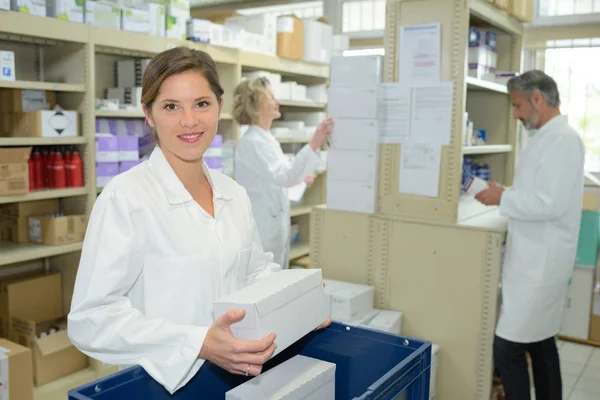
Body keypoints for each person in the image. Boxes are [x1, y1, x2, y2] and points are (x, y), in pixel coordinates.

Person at [67, 47, 329, 395]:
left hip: (237, 377)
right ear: (149, 114)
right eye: (171, 106)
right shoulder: (126, 198)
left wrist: (299, 302)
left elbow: (254, 273)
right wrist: (198, 341)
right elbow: (91, 320)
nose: (189, 120)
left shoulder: (233, 194)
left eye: (201, 104)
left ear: (219, 106)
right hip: (159, 385)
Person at [475, 70, 584, 400]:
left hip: (540, 265)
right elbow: (541, 193)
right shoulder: (549, 138)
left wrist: (502, 198)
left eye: (518, 105)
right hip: (537, 261)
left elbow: (549, 204)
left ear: (538, 99)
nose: (516, 114)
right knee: (541, 344)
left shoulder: (563, 140)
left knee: (508, 347)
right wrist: (507, 191)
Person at [232, 77, 332, 268]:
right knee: (264, 284)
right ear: (255, 105)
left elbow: (274, 179)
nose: (277, 102)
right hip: (261, 229)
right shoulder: (253, 142)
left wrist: (299, 181)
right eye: (271, 97)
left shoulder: (265, 139)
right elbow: (284, 176)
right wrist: (314, 143)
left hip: (272, 224)